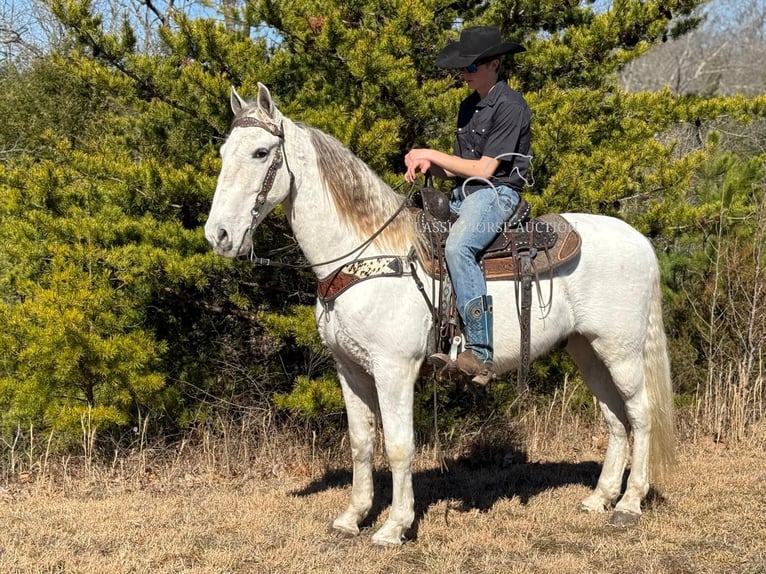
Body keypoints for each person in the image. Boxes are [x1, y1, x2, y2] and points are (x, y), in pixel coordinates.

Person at [404, 25, 531, 384]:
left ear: (494, 64)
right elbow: (459, 170)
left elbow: (485, 169)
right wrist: (432, 165)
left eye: (471, 67)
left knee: (459, 247)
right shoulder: (468, 107)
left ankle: (479, 351)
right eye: (462, 68)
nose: (464, 74)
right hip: (467, 194)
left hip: (497, 194)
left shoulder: (511, 106)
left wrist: (429, 151)